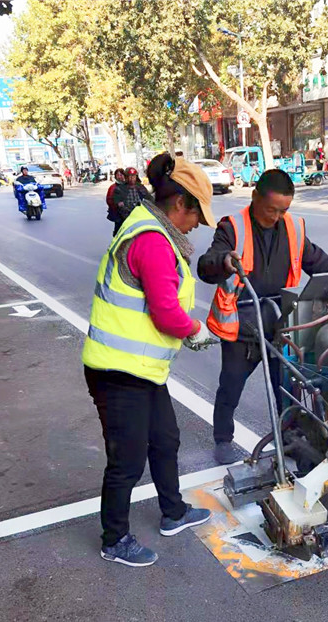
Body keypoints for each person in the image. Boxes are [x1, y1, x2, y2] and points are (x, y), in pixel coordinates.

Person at [82, 152, 216, 567]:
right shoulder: (152, 240)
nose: (197, 225)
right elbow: (165, 312)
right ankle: (114, 540)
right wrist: (196, 329)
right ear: (180, 204)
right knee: (126, 460)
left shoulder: (153, 229)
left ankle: (173, 512)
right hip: (117, 370)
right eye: (196, 216)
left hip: (141, 370)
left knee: (165, 439)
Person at [198, 168, 328, 465]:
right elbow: (206, 265)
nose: (277, 217)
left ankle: (289, 436)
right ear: (255, 197)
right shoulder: (233, 228)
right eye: (271, 210)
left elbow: (321, 264)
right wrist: (224, 261)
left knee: (287, 388)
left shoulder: (293, 228)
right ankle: (223, 439)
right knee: (231, 386)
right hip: (244, 325)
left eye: (284, 210)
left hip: (281, 324)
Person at [106, 167, 127, 235]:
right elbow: (109, 200)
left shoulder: (128, 185)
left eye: (121, 175)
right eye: (118, 175)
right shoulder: (112, 187)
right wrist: (117, 204)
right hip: (118, 213)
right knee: (118, 230)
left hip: (128, 212)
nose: (119, 177)